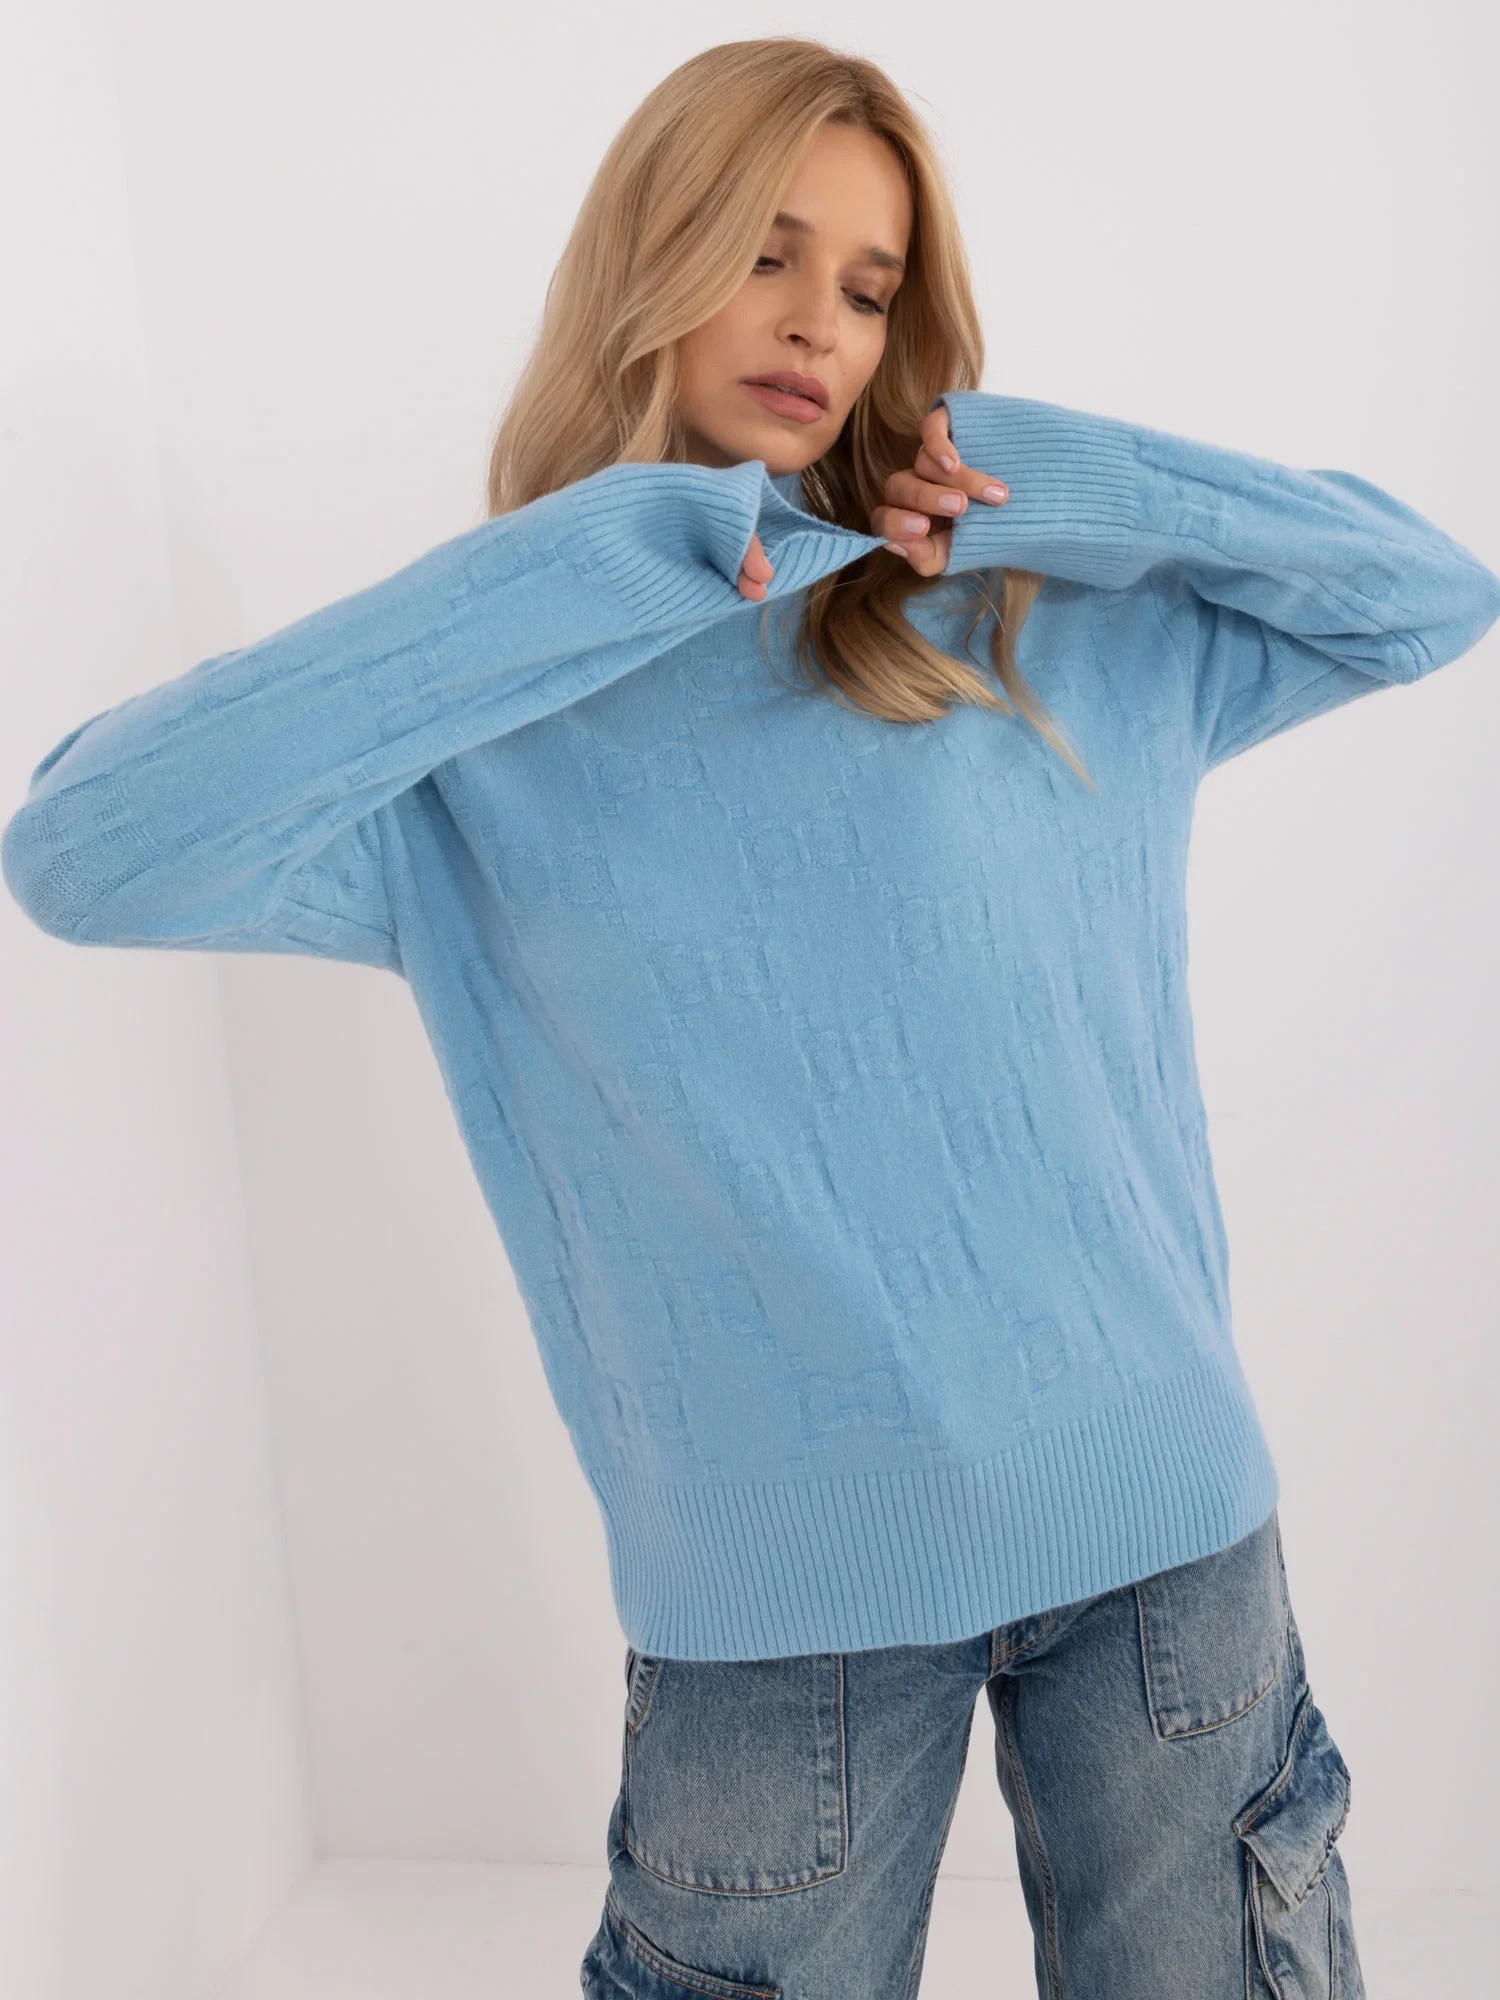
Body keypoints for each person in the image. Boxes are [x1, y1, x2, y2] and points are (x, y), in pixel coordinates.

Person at [5, 34, 1497, 2000]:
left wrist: (1065, 483)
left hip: (1163, 1544)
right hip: (777, 1617)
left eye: (870, 287)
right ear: (654, 253)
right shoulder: (488, 756)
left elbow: (1425, 594)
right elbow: (85, 851)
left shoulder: (1039, 625)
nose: (818, 325)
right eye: (766, 252)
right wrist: (588, 565)